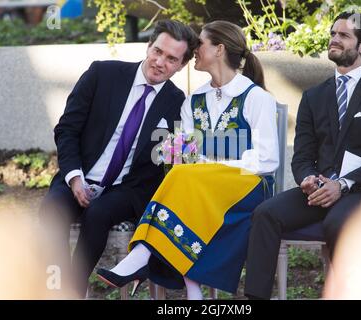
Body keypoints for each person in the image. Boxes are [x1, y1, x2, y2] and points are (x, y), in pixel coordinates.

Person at [96, 20, 279, 300]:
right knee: (181, 176)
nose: (194, 50)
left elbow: (267, 161)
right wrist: (195, 164)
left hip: (248, 190)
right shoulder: (193, 101)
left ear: (219, 50)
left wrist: (212, 168)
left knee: (185, 178)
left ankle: (143, 255)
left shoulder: (256, 97)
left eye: (200, 44)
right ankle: (192, 291)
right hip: (199, 191)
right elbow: (184, 157)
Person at [244, 11, 361, 300]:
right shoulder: (313, 96)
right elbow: (302, 155)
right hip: (318, 190)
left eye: (343, 35)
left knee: (336, 222)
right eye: (333, 34)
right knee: (265, 214)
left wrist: (340, 185)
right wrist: (307, 179)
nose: (334, 39)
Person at [39, 20, 199, 298]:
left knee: (98, 214)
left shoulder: (177, 103)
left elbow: (176, 160)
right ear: (149, 46)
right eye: (158, 51)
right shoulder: (102, 73)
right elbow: (67, 129)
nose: (160, 62)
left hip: (126, 189)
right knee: (53, 209)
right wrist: (75, 177)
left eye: (172, 59)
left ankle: (74, 289)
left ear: (182, 66)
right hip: (80, 173)